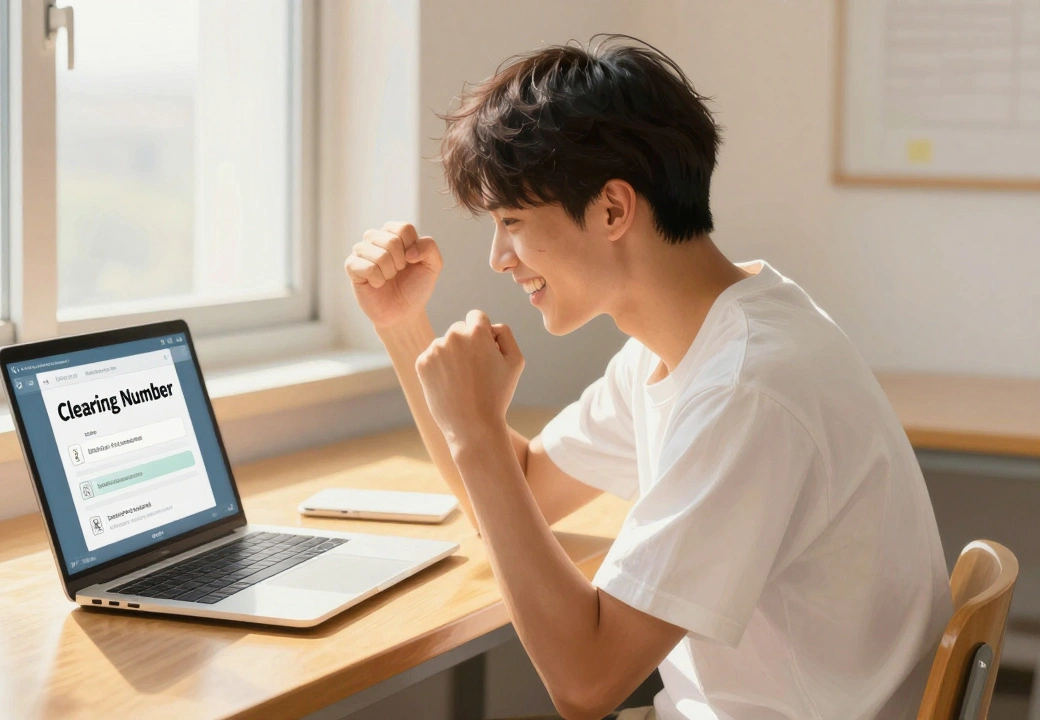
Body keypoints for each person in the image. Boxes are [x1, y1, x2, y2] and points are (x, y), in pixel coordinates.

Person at [343, 36, 952, 720]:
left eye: (512, 221)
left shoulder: (746, 388)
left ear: (612, 209)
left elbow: (586, 682)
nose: (499, 257)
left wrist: (480, 432)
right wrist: (403, 326)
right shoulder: (695, 341)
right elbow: (524, 494)